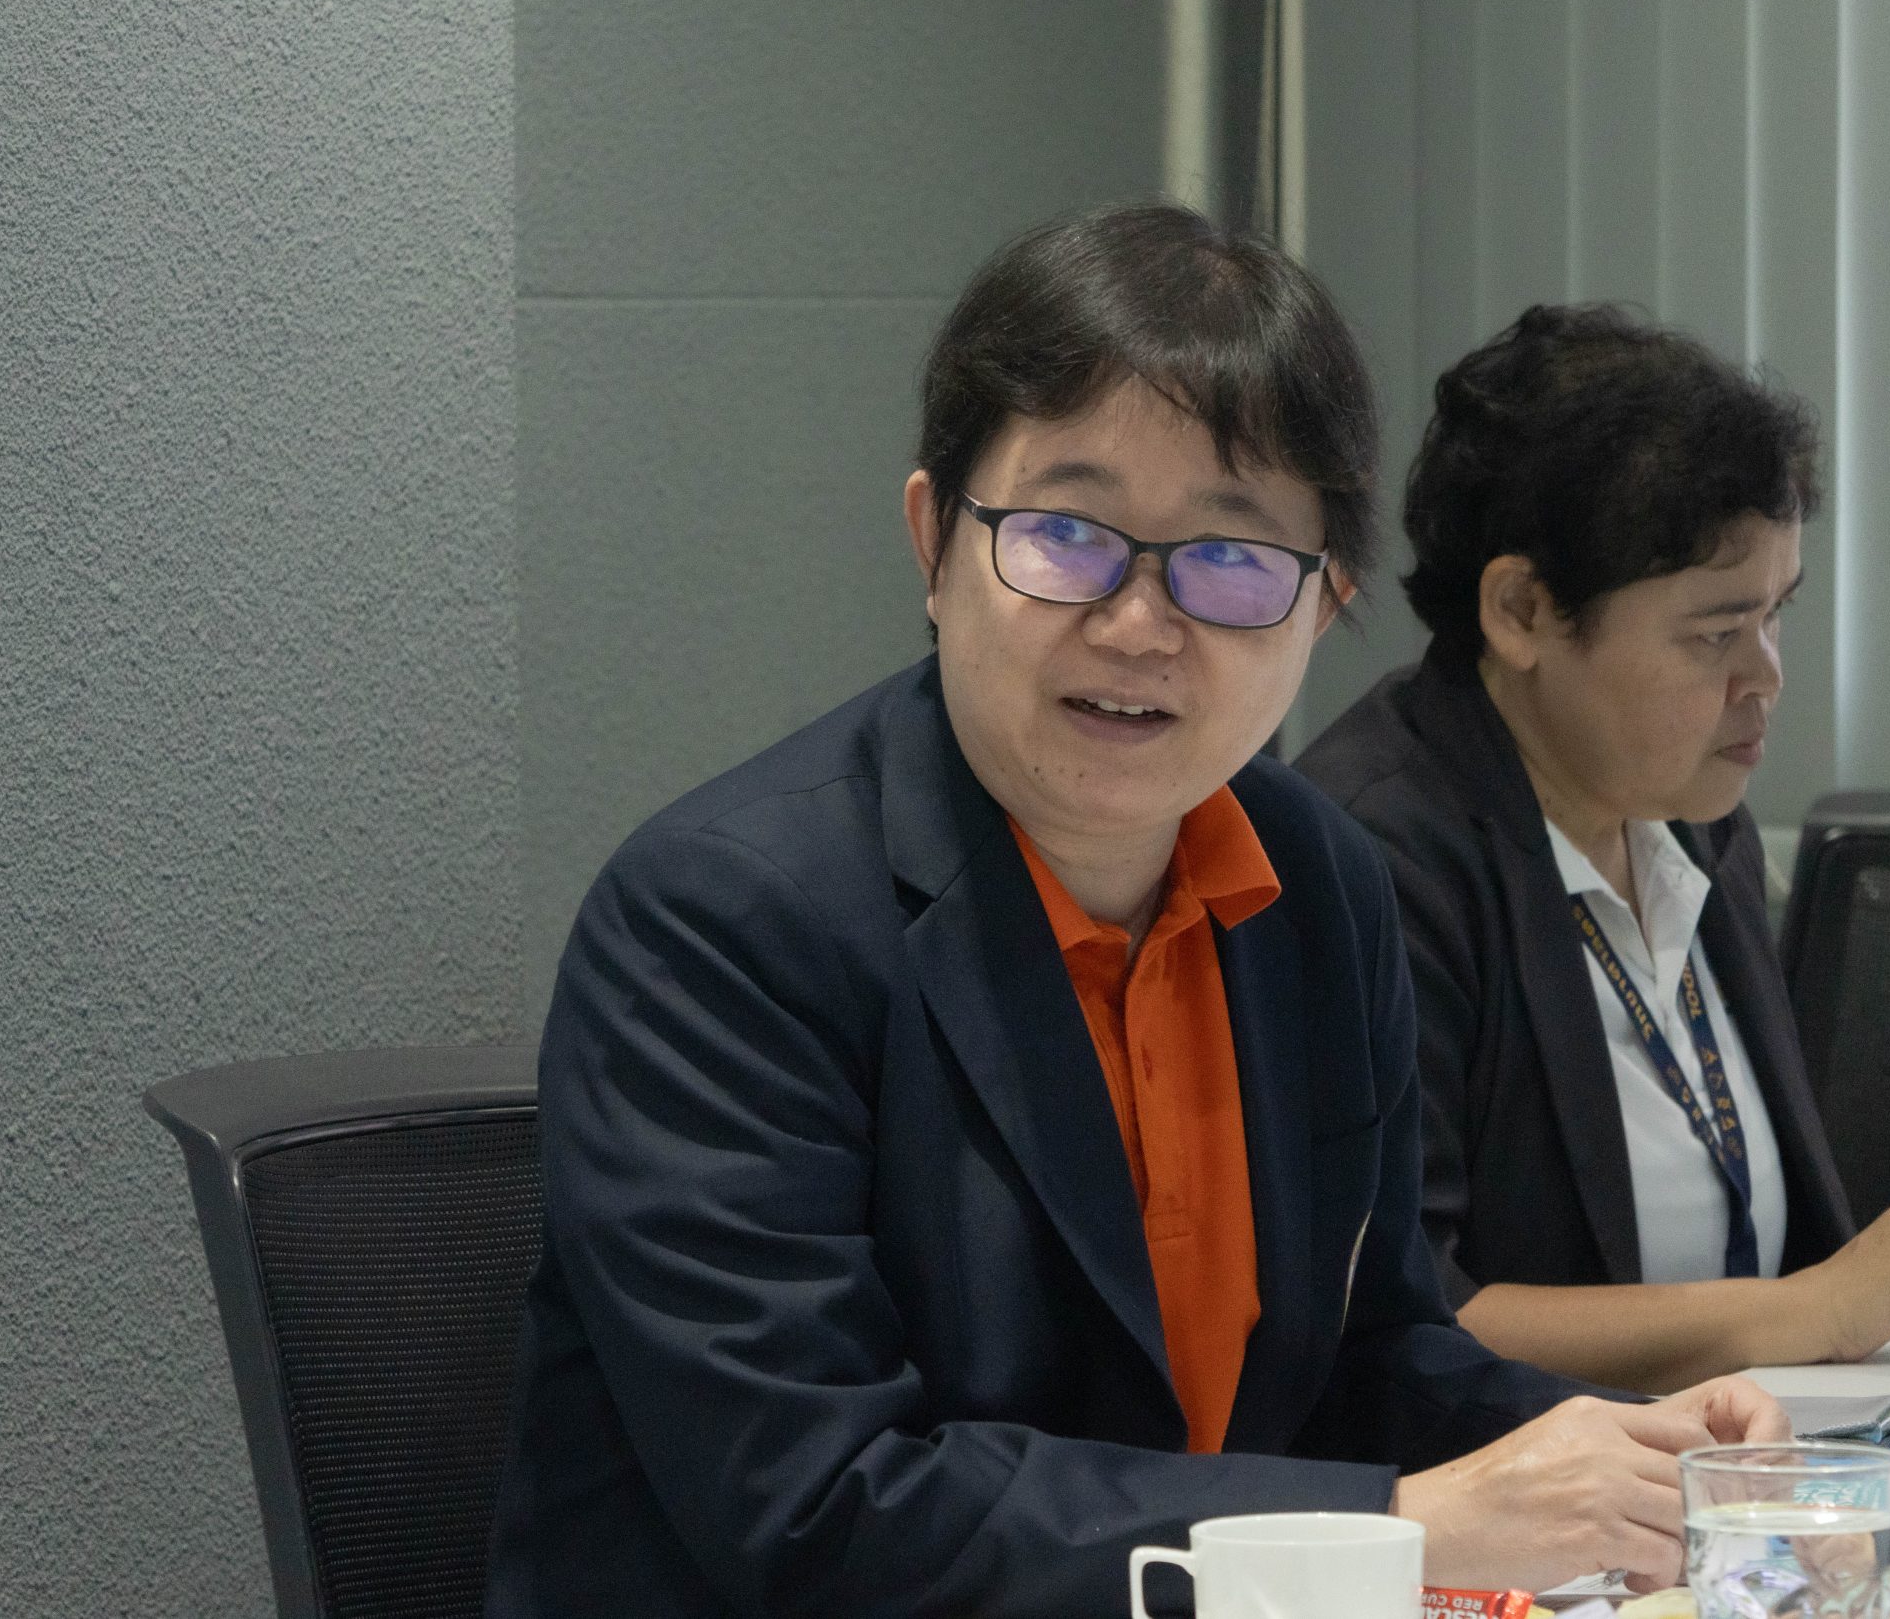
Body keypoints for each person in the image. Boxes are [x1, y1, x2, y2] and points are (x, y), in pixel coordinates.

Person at [486, 214, 1784, 1619]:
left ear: (1322, 607)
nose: (1139, 621)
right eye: (1064, 535)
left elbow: (1372, 1357)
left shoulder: (1317, 881)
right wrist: (1404, 1524)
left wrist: (1623, 1450)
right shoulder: (724, 921)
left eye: (1231, 559)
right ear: (933, 542)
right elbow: (819, 1505)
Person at [1296, 304, 1890, 1396]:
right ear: (1522, 612)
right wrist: (1808, 1307)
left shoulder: (1692, 820)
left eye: (1775, 615)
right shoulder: (1367, 858)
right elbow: (1402, 1315)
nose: (1766, 677)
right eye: (1715, 634)